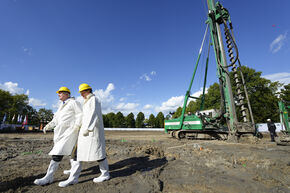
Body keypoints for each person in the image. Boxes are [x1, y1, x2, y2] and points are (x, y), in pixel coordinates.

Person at [34, 87, 82, 186]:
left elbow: (80, 115)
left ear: (67, 94)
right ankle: (54, 177)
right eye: (58, 93)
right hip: (61, 133)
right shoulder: (61, 106)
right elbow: (56, 119)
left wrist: (76, 126)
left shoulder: (74, 102)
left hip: (71, 132)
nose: (58, 94)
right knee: (69, 154)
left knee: (62, 153)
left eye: (60, 93)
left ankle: (51, 177)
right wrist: (49, 125)